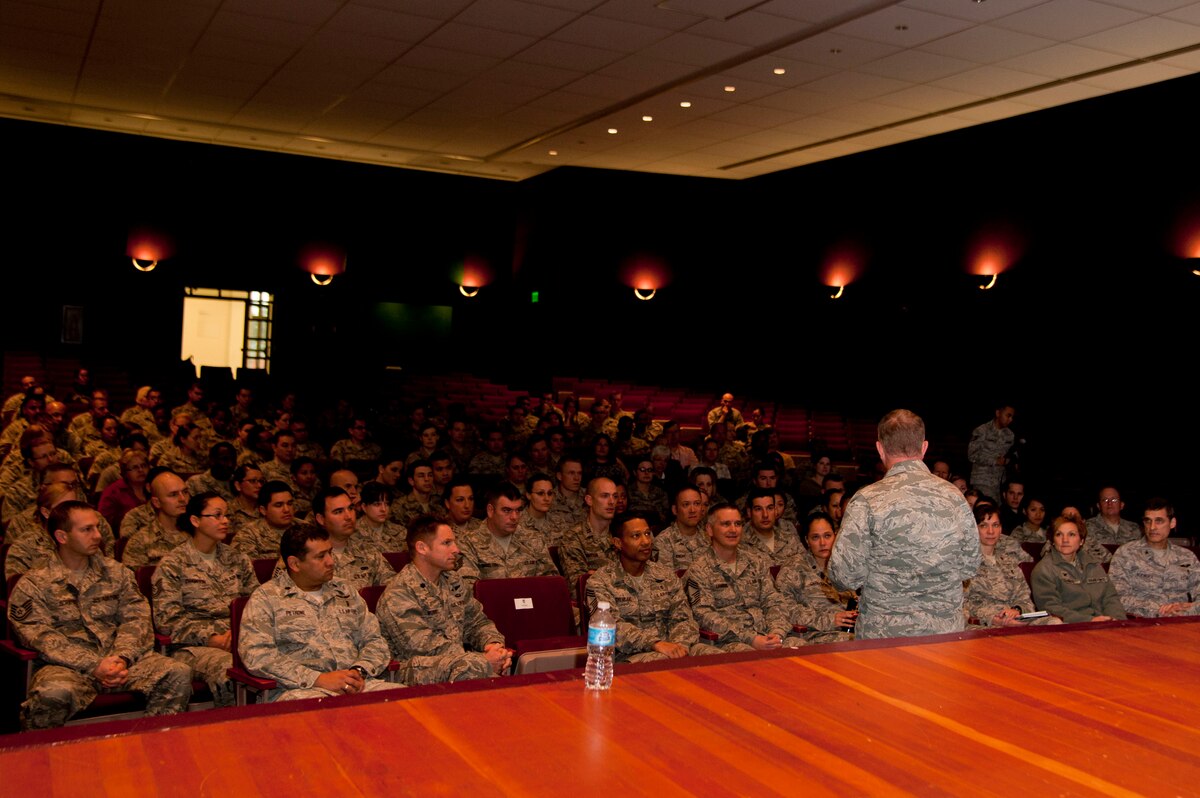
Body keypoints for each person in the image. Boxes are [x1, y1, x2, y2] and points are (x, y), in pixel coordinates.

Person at [7, 501, 192, 729]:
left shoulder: (117, 572)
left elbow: (136, 619)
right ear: (62, 537)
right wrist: (94, 664)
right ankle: (44, 760)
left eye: (97, 527)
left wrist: (122, 658)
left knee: (177, 673)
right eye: (87, 530)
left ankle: (154, 746)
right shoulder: (34, 583)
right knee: (52, 693)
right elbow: (39, 636)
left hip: (121, 660)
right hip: (67, 667)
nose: (97, 535)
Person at [829, 409, 980, 640]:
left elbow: (843, 576)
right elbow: (970, 566)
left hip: (885, 637)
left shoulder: (867, 500)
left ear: (880, 449)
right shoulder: (954, 497)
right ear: (924, 447)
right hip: (944, 636)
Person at [237, 524, 398, 702]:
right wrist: (316, 679)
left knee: (405, 703)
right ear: (295, 564)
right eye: (321, 556)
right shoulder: (267, 598)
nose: (331, 561)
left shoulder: (345, 590)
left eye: (330, 552)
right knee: (328, 717)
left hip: (358, 684)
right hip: (299, 690)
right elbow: (257, 655)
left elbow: (374, 640)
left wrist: (358, 671)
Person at [152, 492, 258, 707]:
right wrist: (211, 639)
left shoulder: (237, 559)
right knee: (229, 669)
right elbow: (167, 621)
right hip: (190, 647)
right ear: (195, 521)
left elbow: (256, 604)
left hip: (239, 639)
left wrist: (238, 633)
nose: (225, 521)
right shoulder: (173, 564)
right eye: (217, 515)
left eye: (226, 515)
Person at [376, 516, 511, 685]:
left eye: (454, 542)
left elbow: (477, 622)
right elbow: (423, 647)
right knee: (469, 668)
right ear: (422, 548)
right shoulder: (399, 593)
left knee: (488, 665)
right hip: (412, 672)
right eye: (447, 543)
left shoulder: (453, 580)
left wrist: (492, 644)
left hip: (459, 664)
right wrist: (481, 660)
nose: (456, 549)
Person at [585, 512, 717, 662]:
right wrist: (655, 644)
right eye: (636, 536)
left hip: (675, 647)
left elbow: (684, 619)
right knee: (660, 661)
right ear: (618, 543)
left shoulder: (666, 576)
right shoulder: (600, 582)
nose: (646, 541)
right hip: (629, 655)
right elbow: (612, 627)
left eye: (648, 534)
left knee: (719, 658)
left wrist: (679, 647)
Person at [684, 503, 799, 652]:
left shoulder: (756, 562)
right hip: (727, 642)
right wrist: (751, 638)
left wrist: (777, 633)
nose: (733, 530)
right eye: (726, 524)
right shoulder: (698, 570)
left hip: (766, 634)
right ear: (709, 530)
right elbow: (704, 616)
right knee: (747, 654)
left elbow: (773, 601)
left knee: (799, 646)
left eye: (737, 524)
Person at [964, 502, 1058, 628]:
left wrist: (1017, 609)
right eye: (984, 526)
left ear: (1001, 528)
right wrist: (994, 618)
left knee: (1054, 623)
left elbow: (1024, 595)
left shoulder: (1008, 561)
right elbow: (964, 603)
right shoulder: (965, 564)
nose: (991, 531)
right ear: (974, 529)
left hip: (1016, 618)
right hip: (986, 623)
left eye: (995, 525)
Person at [1109, 498, 1200, 617]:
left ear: (1172, 523)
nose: (1152, 527)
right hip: (1142, 623)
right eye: (1148, 521)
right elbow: (1116, 597)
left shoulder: (1187, 557)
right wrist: (1159, 610)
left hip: (1182, 621)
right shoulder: (1126, 553)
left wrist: (1186, 609)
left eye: (1159, 521)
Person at [774, 513, 858, 643]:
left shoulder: (847, 563)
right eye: (815, 537)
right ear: (807, 540)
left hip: (854, 628)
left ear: (835, 536)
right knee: (854, 642)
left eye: (827, 536)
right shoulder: (794, 568)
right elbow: (783, 607)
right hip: (814, 633)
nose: (822, 543)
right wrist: (829, 620)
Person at [456, 482, 557, 587]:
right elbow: (469, 590)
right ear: (490, 511)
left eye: (518, 510)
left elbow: (551, 584)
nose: (514, 517)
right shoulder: (467, 543)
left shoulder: (534, 539)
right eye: (506, 510)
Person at [1031, 515, 1126, 623]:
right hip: (1070, 626)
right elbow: (1051, 608)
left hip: (1104, 624)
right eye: (1059, 535)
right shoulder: (1044, 569)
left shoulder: (1093, 564)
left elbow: (1110, 598)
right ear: (1052, 540)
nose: (1065, 540)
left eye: (1071, 534)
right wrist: (1090, 620)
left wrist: (1116, 620)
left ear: (1081, 541)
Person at [122, 470, 191, 567]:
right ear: (156, 502)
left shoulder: (199, 532)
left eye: (185, 492)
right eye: (173, 494)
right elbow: (133, 580)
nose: (182, 499)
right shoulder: (140, 542)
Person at [559, 477, 619, 588]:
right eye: (604, 496)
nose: (611, 502)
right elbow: (579, 585)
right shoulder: (573, 537)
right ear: (589, 500)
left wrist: (596, 574)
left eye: (615, 496)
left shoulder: (621, 533)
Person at [232, 480, 298, 560]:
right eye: (279, 505)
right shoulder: (248, 535)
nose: (286, 509)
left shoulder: (306, 528)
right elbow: (244, 569)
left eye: (289, 503)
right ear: (263, 510)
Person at [740, 486, 803, 565]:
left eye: (770, 508)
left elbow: (806, 569)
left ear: (775, 511)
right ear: (749, 512)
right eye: (758, 509)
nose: (765, 515)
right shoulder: (740, 542)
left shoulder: (790, 539)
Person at [967, 403, 1015, 502]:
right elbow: (972, 455)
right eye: (1008, 415)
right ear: (998, 413)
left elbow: (1013, 454)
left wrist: (1009, 461)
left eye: (1012, 417)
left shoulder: (1010, 435)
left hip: (1001, 481)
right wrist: (994, 461)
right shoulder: (982, 431)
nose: (1010, 419)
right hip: (983, 480)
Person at [653, 486, 708, 572]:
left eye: (697, 503)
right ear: (675, 510)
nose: (693, 510)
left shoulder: (709, 538)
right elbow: (664, 581)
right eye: (686, 504)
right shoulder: (663, 541)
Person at [357, 481, 407, 552]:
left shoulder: (400, 532)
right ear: (364, 507)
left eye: (387, 504)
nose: (383, 509)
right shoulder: (353, 532)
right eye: (377, 504)